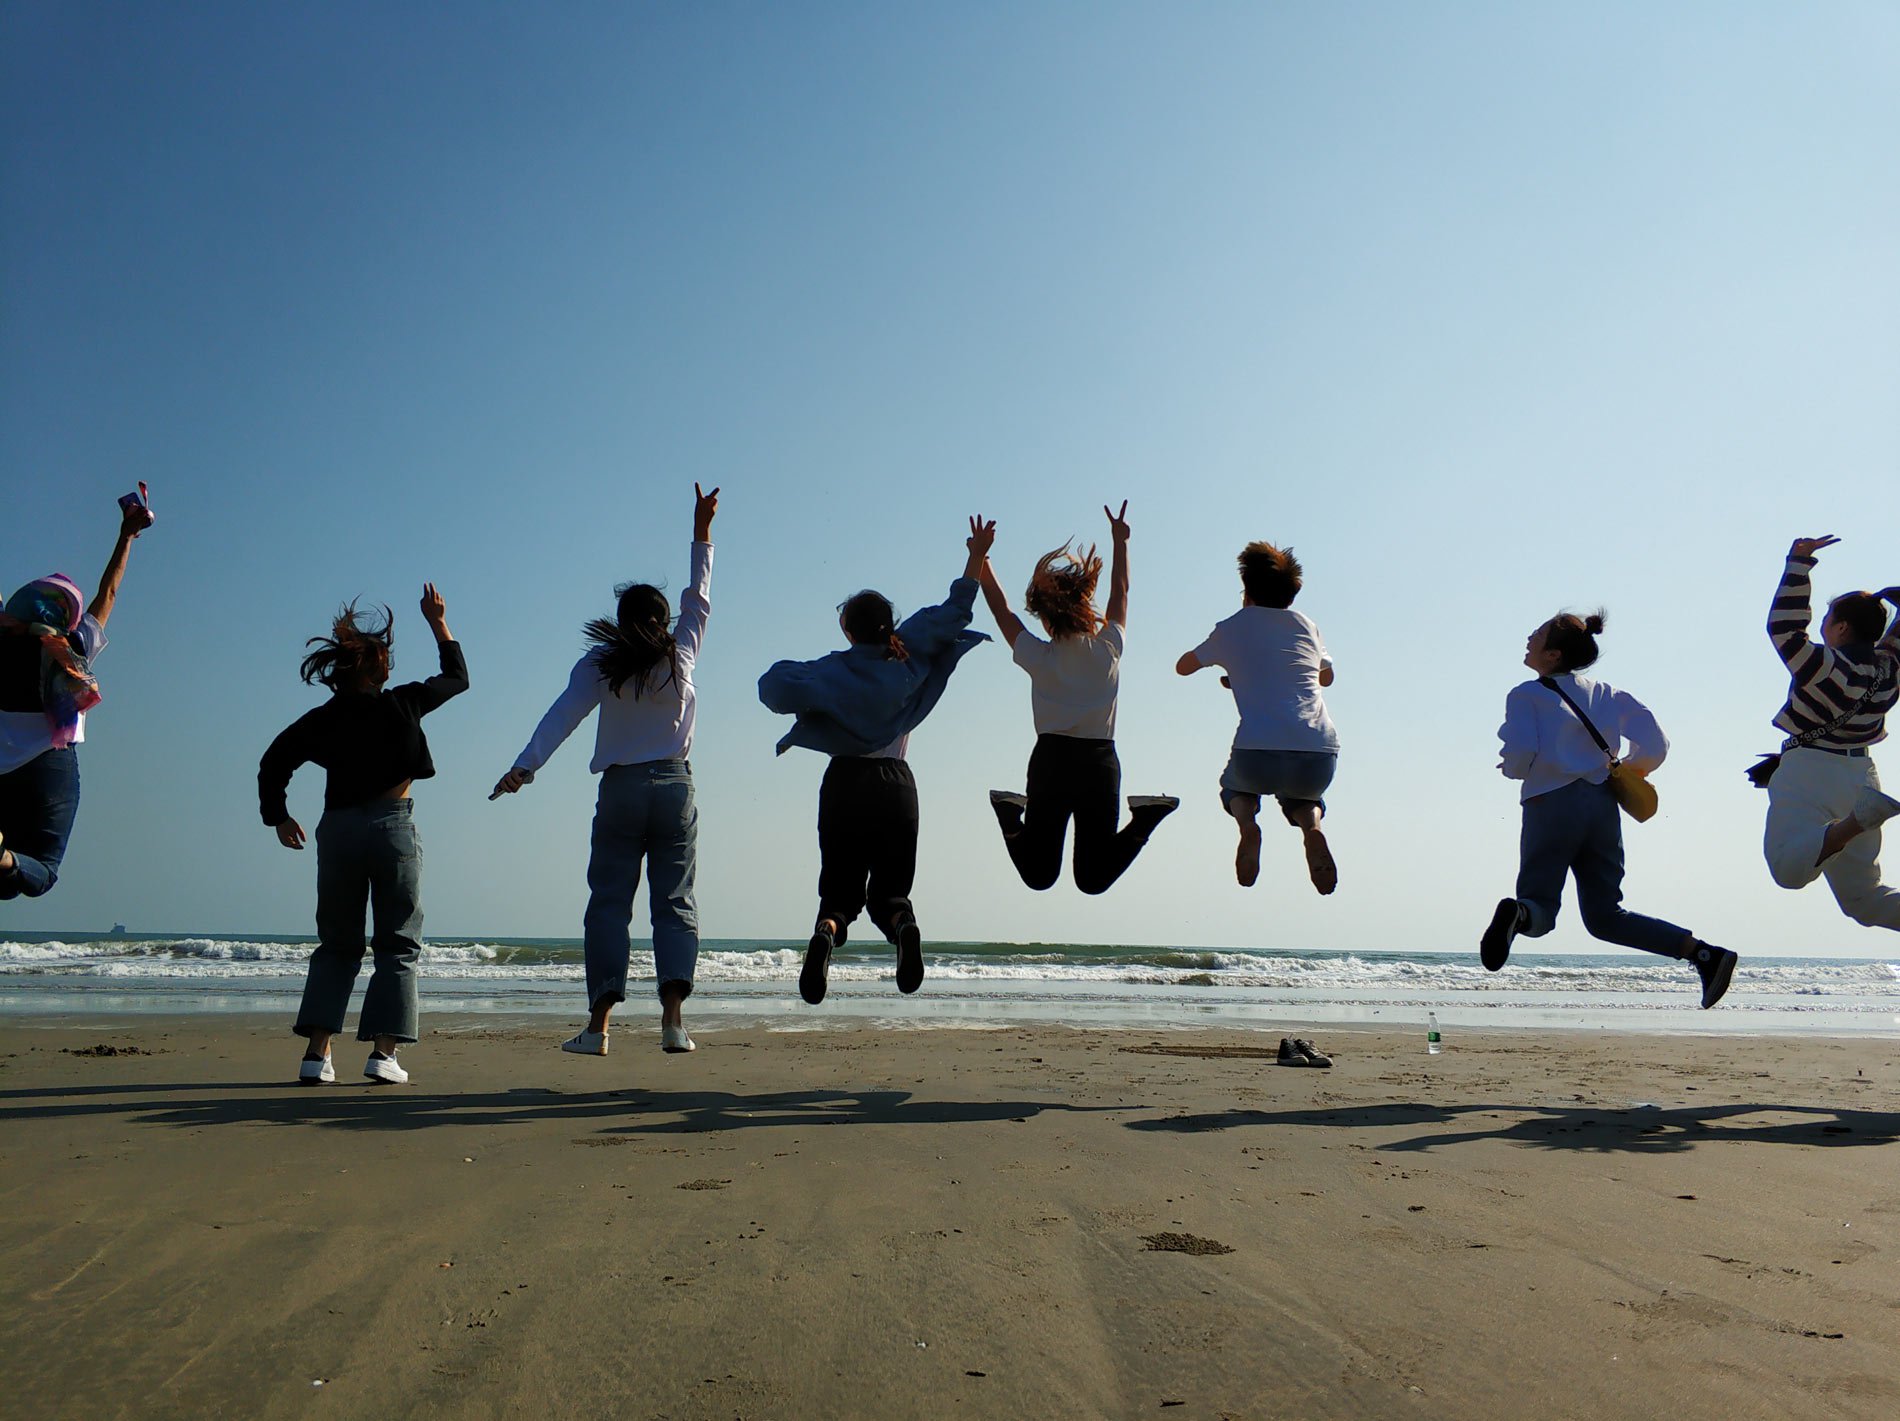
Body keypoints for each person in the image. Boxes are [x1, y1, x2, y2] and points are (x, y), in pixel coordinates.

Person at [491, 484, 719, 1056]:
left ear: (619, 623)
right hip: (673, 786)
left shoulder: (600, 661)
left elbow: (562, 716)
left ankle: (598, 1030)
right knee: (674, 903)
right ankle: (672, 1024)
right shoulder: (682, 652)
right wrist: (701, 529)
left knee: (609, 906)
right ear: (663, 621)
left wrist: (525, 767)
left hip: (619, 790)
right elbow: (700, 597)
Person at [758, 522, 991, 1006]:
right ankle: (903, 928)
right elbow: (956, 610)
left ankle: (826, 931)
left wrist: (818, 685)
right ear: (890, 624)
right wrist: (977, 554)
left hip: (845, 782)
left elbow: (772, 686)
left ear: (847, 629)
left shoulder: (833, 670)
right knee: (891, 894)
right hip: (896, 786)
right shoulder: (908, 655)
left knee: (840, 891)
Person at [258, 585, 467, 1084]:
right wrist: (438, 622)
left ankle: (317, 1055)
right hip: (392, 827)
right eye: (386, 658)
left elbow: (273, 762)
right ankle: (383, 1053)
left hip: (339, 833)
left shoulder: (322, 719)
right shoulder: (404, 703)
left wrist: (279, 817)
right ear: (376, 669)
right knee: (396, 943)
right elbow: (457, 678)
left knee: (337, 944)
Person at [1479, 610, 1738, 1006]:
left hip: (1550, 802)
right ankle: (1703, 954)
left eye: (1537, 635)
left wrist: (1514, 769)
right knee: (1605, 916)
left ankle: (1519, 914)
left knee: (1541, 904)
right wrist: (1622, 770)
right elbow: (1656, 745)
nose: (1529, 639)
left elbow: (1520, 753)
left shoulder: (1525, 694)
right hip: (1602, 806)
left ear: (1553, 654)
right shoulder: (1608, 693)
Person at [973, 503, 1177, 892]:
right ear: (1085, 608)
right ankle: (1147, 816)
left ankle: (1008, 814)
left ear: (1046, 617)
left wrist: (981, 559)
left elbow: (1001, 611)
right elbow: (1121, 591)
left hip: (1052, 763)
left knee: (1039, 876)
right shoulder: (1109, 648)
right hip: (1099, 764)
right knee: (1092, 880)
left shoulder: (1040, 655)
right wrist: (1121, 543)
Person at [1, 493, 155, 900]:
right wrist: (127, 536)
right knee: (43, 871)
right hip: (50, 762)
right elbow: (109, 593)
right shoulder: (73, 647)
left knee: (6, 884)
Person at [1176, 540, 1339, 894]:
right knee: (1304, 799)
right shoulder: (1308, 626)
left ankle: (1248, 827)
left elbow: (1183, 667)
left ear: (1246, 589)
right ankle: (1313, 831)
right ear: (1292, 594)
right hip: (1319, 754)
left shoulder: (1232, 627)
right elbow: (1325, 677)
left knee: (1235, 787)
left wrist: (1235, 668)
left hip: (1258, 753)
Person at [1758, 535, 1900, 928]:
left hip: (1810, 771)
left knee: (1789, 870)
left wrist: (1799, 562)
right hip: (1861, 776)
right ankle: (1858, 818)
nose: (1820, 627)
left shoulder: (1823, 666)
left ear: (1840, 627)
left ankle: (1856, 822)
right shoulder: (1887, 671)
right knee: (1865, 900)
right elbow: (1893, 642)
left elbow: (1784, 626)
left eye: (1826, 620)